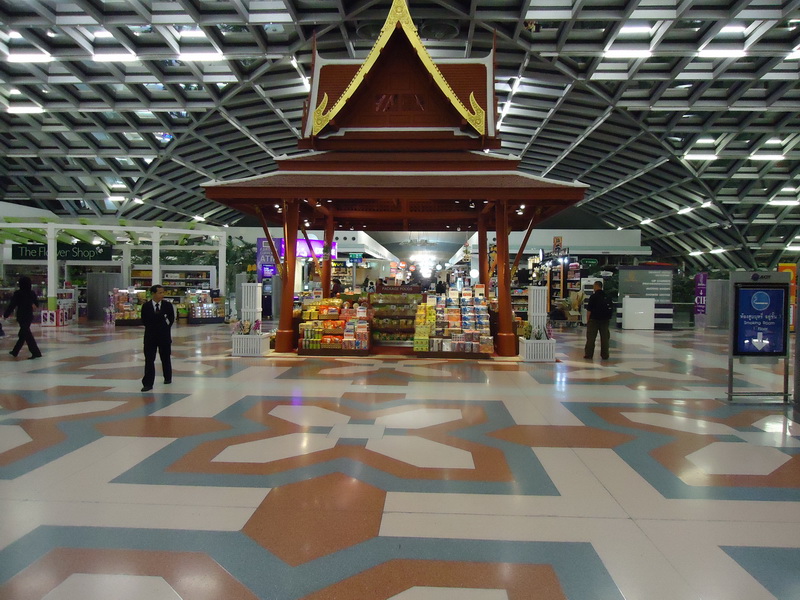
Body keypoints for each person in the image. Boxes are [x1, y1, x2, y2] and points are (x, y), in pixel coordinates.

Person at [141, 284, 175, 392]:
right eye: (160, 293)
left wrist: (164, 326)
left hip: (164, 336)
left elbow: (171, 319)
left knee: (165, 357)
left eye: (163, 292)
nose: (162, 295)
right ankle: (148, 383)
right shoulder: (146, 306)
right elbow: (144, 321)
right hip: (150, 337)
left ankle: (168, 377)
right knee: (149, 360)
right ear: (153, 294)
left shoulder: (167, 306)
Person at [4, 276, 42, 359]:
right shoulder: (32, 293)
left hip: (21, 316)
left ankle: (36, 353)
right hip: (29, 316)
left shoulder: (18, 293)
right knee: (24, 333)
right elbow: (36, 304)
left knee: (26, 334)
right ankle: (15, 351)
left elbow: (12, 305)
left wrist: (6, 314)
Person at [584, 280, 613, 360]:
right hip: (605, 320)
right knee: (605, 338)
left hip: (594, 319)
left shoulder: (593, 296)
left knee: (591, 338)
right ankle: (605, 355)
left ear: (596, 286)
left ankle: (589, 354)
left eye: (594, 286)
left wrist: (588, 320)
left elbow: (589, 310)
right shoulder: (607, 296)